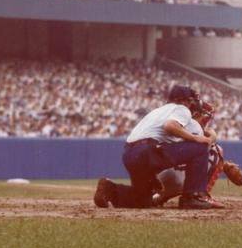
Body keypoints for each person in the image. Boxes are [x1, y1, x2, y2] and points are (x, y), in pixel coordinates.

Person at [93, 85, 224, 209]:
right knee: (200, 147)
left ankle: (109, 189)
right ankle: (193, 196)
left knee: (142, 200)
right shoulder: (181, 109)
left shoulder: (158, 111)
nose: (192, 105)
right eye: (190, 101)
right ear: (183, 101)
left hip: (129, 155)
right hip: (147, 152)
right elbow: (171, 126)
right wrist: (206, 137)